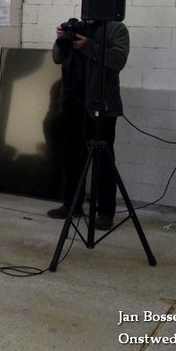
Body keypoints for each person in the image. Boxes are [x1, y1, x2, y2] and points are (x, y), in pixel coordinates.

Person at [46, 19, 129, 230]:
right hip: (73, 104)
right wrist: (61, 40)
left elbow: (118, 60)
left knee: (104, 161)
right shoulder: (78, 27)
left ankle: (106, 212)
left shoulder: (116, 29)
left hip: (102, 107)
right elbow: (57, 58)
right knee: (72, 158)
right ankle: (72, 205)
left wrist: (88, 46)